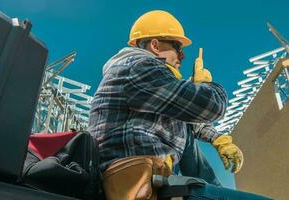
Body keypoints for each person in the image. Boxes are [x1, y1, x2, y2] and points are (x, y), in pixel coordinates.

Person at [88, 10, 270, 200]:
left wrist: (217, 139)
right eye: (177, 46)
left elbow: (183, 118)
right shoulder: (138, 68)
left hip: (156, 180)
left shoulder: (143, 80)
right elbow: (213, 106)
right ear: (155, 45)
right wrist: (204, 86)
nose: (182, 55)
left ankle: (214, 189)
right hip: (142, 183)